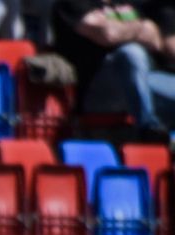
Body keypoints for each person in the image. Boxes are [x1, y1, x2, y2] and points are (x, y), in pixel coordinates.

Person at [54, 0, 175, 136]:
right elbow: (109, 35)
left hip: (146, 81)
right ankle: (148, 128)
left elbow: (156, 39)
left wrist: (118, 28)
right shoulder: (74, 3)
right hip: (100, 84)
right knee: (132, 52)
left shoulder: (128, 4)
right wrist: (140, 28)